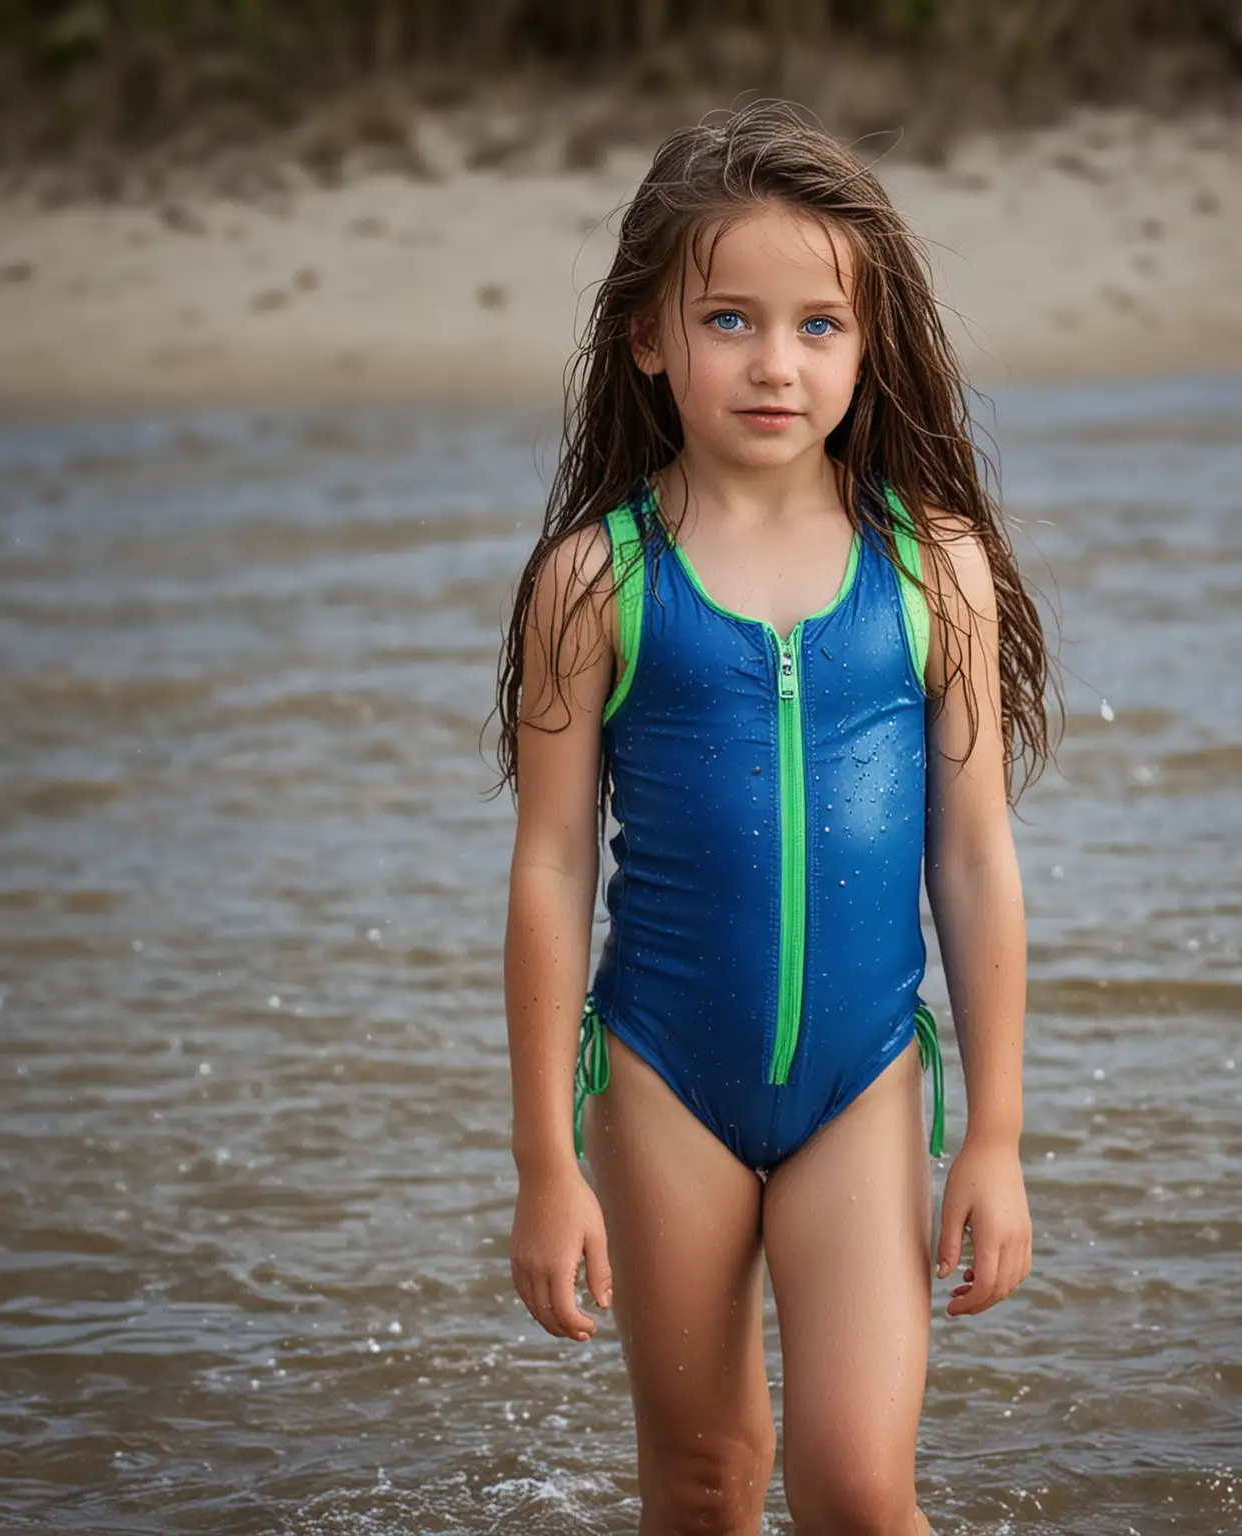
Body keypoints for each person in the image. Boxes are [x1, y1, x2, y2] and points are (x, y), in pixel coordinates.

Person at [494, 99, 1057, 1534]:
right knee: (704, 1479)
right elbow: (553, 872)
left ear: (869, 346)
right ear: (647, 337)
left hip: (860, 1084)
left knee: (861, 1488)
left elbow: (977, 861)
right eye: (730, 319)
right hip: (662, 1076)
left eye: (819, 326)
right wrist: (544, 1167)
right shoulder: (595, 579)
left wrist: (992, 1133)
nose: (775, 362)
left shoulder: (934, 569)